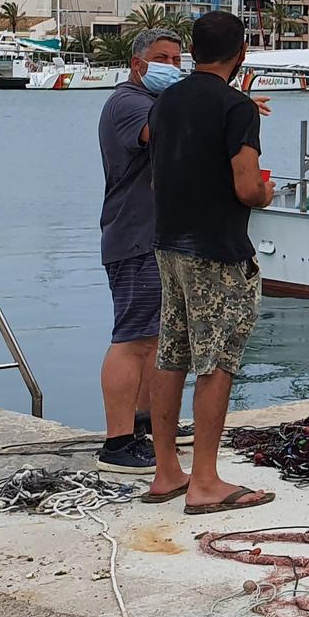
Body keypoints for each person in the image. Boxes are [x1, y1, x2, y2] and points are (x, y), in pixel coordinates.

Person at [146, 9, 276, 514]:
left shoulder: (165, 100)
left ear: (195, 51)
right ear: (241, 54)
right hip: (218, 251)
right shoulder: (236, 107)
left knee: (171, 352)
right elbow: (246, 186)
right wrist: (266, 192)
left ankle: (166, 472)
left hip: (168, 244)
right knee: (217, 360)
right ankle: (204, 482)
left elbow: (159, 176)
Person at [92, 29, 187, 475]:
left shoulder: (157, 102)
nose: (172, 65)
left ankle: (146, 424)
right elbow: (164, 134)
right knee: (132, 339)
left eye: (177, 58)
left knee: (157, 338)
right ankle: (118, 440)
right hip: (134, 237)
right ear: (138, 64)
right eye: (162, 58)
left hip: (161, 237)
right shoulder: (128, 103)